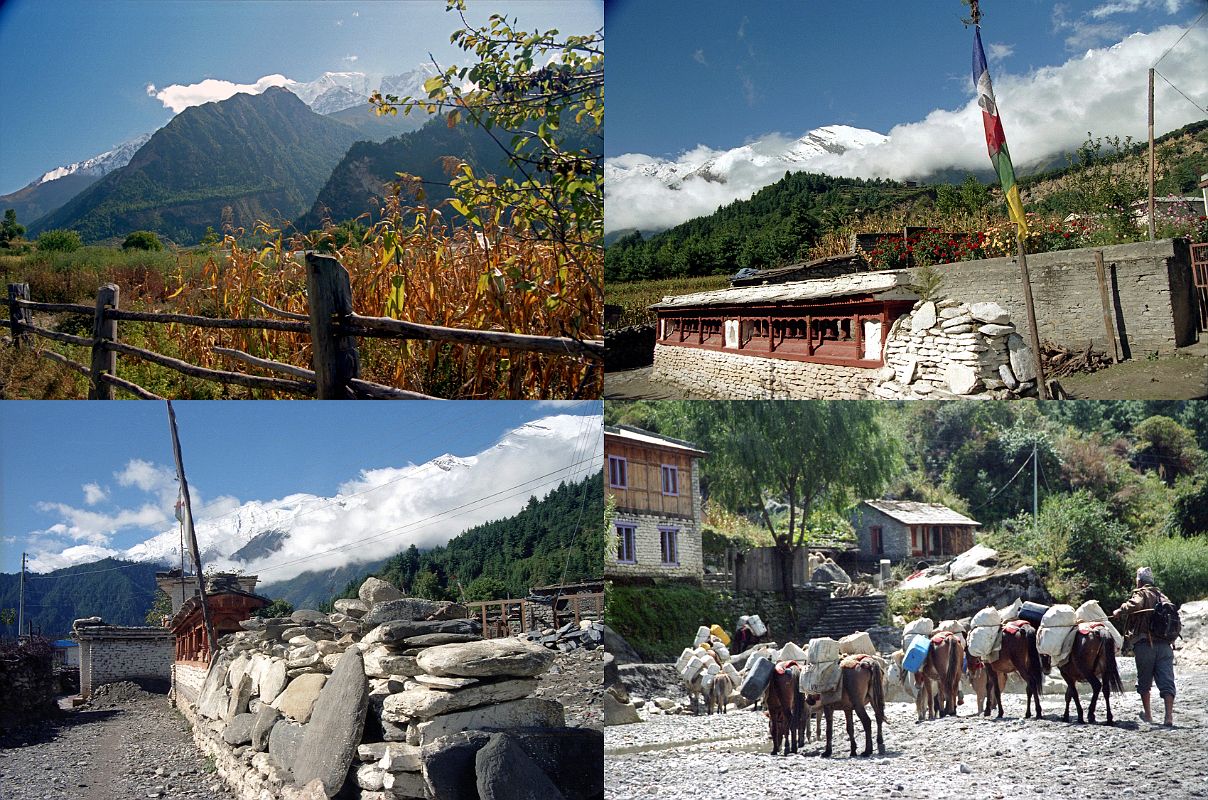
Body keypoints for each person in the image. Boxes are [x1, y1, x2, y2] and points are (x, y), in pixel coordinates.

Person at [1111, 566, 1176, 726]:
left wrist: (1120, 610)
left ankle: (1148, 715)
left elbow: (1135, 605)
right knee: (1167, 681)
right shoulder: (1163, 596)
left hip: (1145, 645)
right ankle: (1168, 717)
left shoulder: (1141, 593)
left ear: (1139, 581)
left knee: (1144, 681)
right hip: (1166, 646)